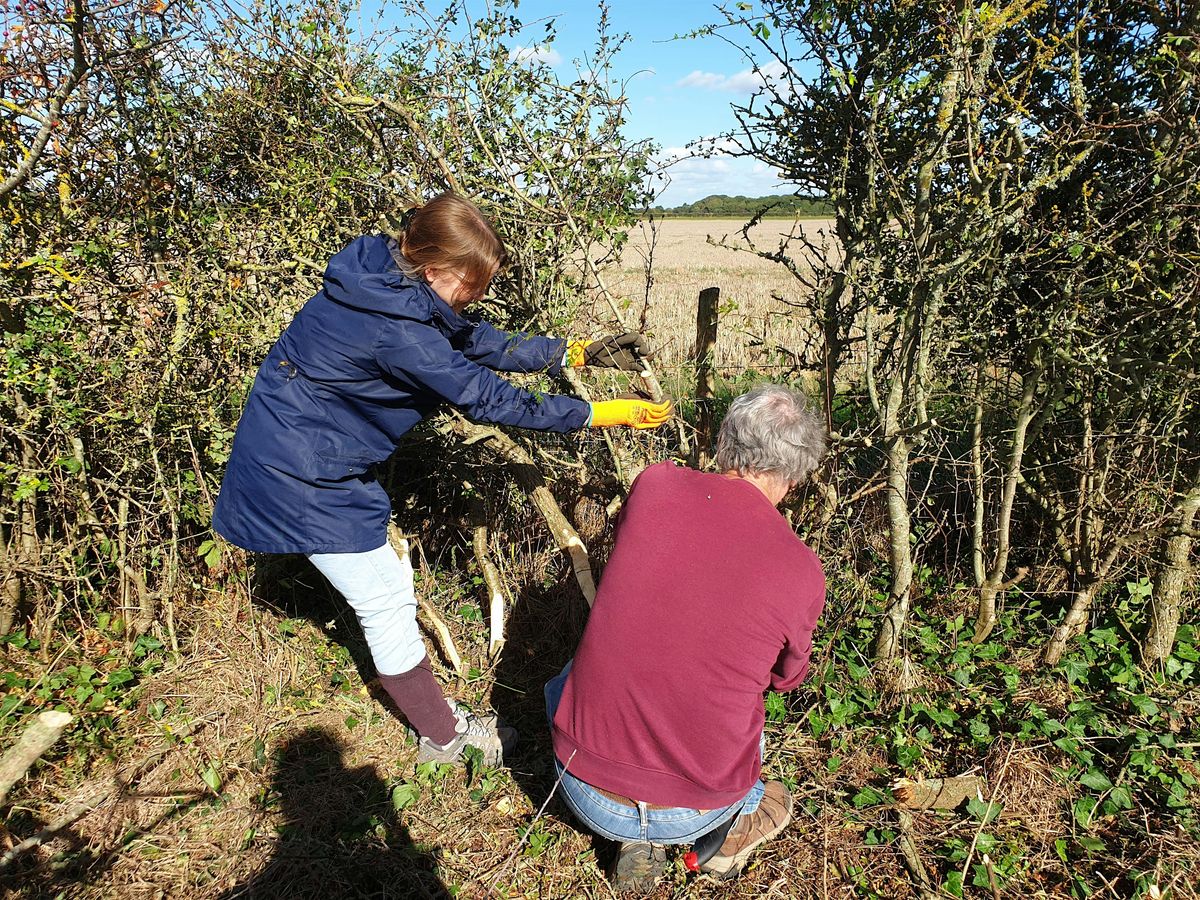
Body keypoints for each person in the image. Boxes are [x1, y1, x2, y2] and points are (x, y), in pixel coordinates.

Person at [213, 192, 671, 767]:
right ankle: (444, 739)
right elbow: (486, 396)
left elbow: (471, 339)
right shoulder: (396, 329)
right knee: (383, 600)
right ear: (433, 268)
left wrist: (569, 353)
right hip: (300, 476)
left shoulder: (384, 275)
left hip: (317, 458)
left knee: (387, 594)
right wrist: (602, 413)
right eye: (469, 285)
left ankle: (435, 719)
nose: (474, 298)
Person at [545, 384, 826, 890]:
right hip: (693, 811)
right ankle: (717, 844)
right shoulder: (801, 568)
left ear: (724, 442)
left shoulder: (654, 485)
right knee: (771, 785)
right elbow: (786, 680)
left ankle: (632, 834)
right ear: (796, 472)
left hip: (581, 782)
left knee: (565, 678)